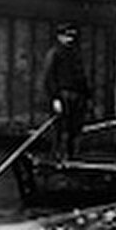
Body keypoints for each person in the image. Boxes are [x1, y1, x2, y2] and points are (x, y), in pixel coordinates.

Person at [42, 23, 91, 159]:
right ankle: (57, 158)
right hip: (63, 96)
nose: (70, 39)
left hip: (77, 97)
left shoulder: (75, 53)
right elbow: (49, 77)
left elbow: (81, 76)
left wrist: (87, 96)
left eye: (72, 36)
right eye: (67, 36)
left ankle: (72, 157)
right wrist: (55, 98)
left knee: (74, 130)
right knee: (60, 130)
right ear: (59, 37)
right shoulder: (54, 53)